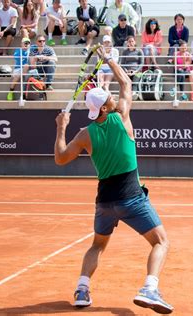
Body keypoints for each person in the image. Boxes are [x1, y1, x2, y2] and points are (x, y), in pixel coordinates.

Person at [54, 45, 173, 315]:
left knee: (97, 244)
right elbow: (126, 82)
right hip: (131, 197)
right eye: (109, 97)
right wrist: (107, 57)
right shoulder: (122, 117)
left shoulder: (84, 134)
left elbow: (61, 158)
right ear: (107, 106)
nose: (112, 97)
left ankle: (82, 289)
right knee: (161, 242)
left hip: (104, 202)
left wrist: (61, 128)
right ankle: (150, 288)